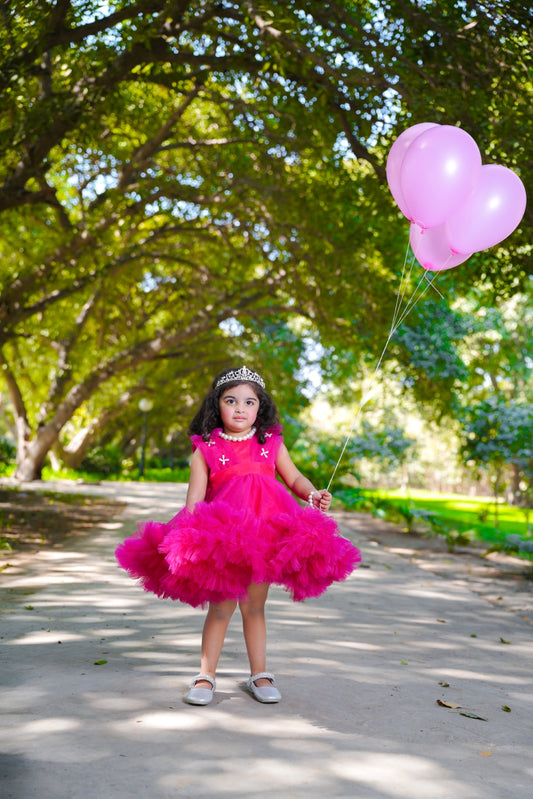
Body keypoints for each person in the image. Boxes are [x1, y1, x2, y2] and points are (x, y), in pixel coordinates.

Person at [116, 365, 361, 706]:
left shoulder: (271, 443)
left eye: (249, 402)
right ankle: (206, 675)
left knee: (255, 606)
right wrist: (189, 540)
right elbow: (194, 501)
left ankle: (259, 674)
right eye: (231, 401)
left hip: (266, 536)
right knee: (221, 608)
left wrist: (312, 494)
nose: (240, 409)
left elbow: (294, 478)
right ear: (217, 405)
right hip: (224, 541)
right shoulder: (206, 448)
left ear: (261, 407)